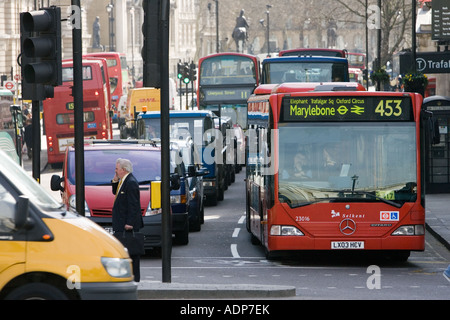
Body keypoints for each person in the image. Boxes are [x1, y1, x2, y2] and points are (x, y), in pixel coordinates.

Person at [111, 158, 143, 282]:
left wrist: (130, 223)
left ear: (123, 170)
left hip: (127, 224)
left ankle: (135, 278)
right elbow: (116, 193)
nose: (115, 171)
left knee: (132, 252)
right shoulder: (123, 181)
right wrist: (114, 180)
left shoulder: (131, 182)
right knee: (125, 251)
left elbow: (133, 205)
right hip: (121, 222)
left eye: (117, 169)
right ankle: (128, 276)